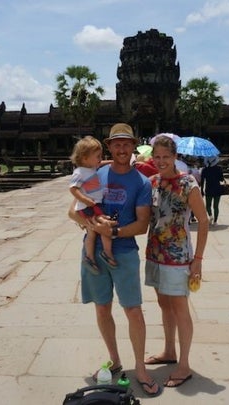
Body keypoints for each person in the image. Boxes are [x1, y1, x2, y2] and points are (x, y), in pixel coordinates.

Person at [67, 123, 160, 397]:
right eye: (116, 144)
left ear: (133, 146)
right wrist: (92, 226)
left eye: (126, 144)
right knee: (102, 307)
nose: (121, 148)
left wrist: (114, 231)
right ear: (109, 147)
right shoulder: (97, 172)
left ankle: (140, 367)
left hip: (124, 251)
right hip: (93, 249)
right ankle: (115, 359)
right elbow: (72, 211)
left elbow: (142, 225)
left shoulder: (141, 182)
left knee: (133, 310)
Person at [143, 135, 208, 389]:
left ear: (175, 157)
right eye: (156, 157)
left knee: (180, 308)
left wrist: (198, 259)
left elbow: (203, 221)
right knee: (163, 304)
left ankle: (184, 364)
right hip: (154, 253)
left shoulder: (187, 183)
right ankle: (169, 350)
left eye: (166, 157)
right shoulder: (153, 183)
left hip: (178, 257)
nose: (161, 162)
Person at [69, 136, 116, 274]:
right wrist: (84, 200)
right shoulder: (79, 172)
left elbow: (101, 164)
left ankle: (89, 257)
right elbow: (73, 188)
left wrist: (113, 161)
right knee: (105, 226)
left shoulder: (91, 167)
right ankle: (107, 253)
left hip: (93, 205)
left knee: (92, 232)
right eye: (97, 156)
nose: (100, 159)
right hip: (89, 206)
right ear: (85, 158)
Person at [200, 155, 225, 225]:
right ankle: (215, 221)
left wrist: (201, 190)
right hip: (217, 188)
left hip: (208, 188)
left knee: (208, 205)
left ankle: (210, 216)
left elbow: (202, 181)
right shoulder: (219, 168)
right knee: (216, 206)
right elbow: (221, 179)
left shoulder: (205, 169)